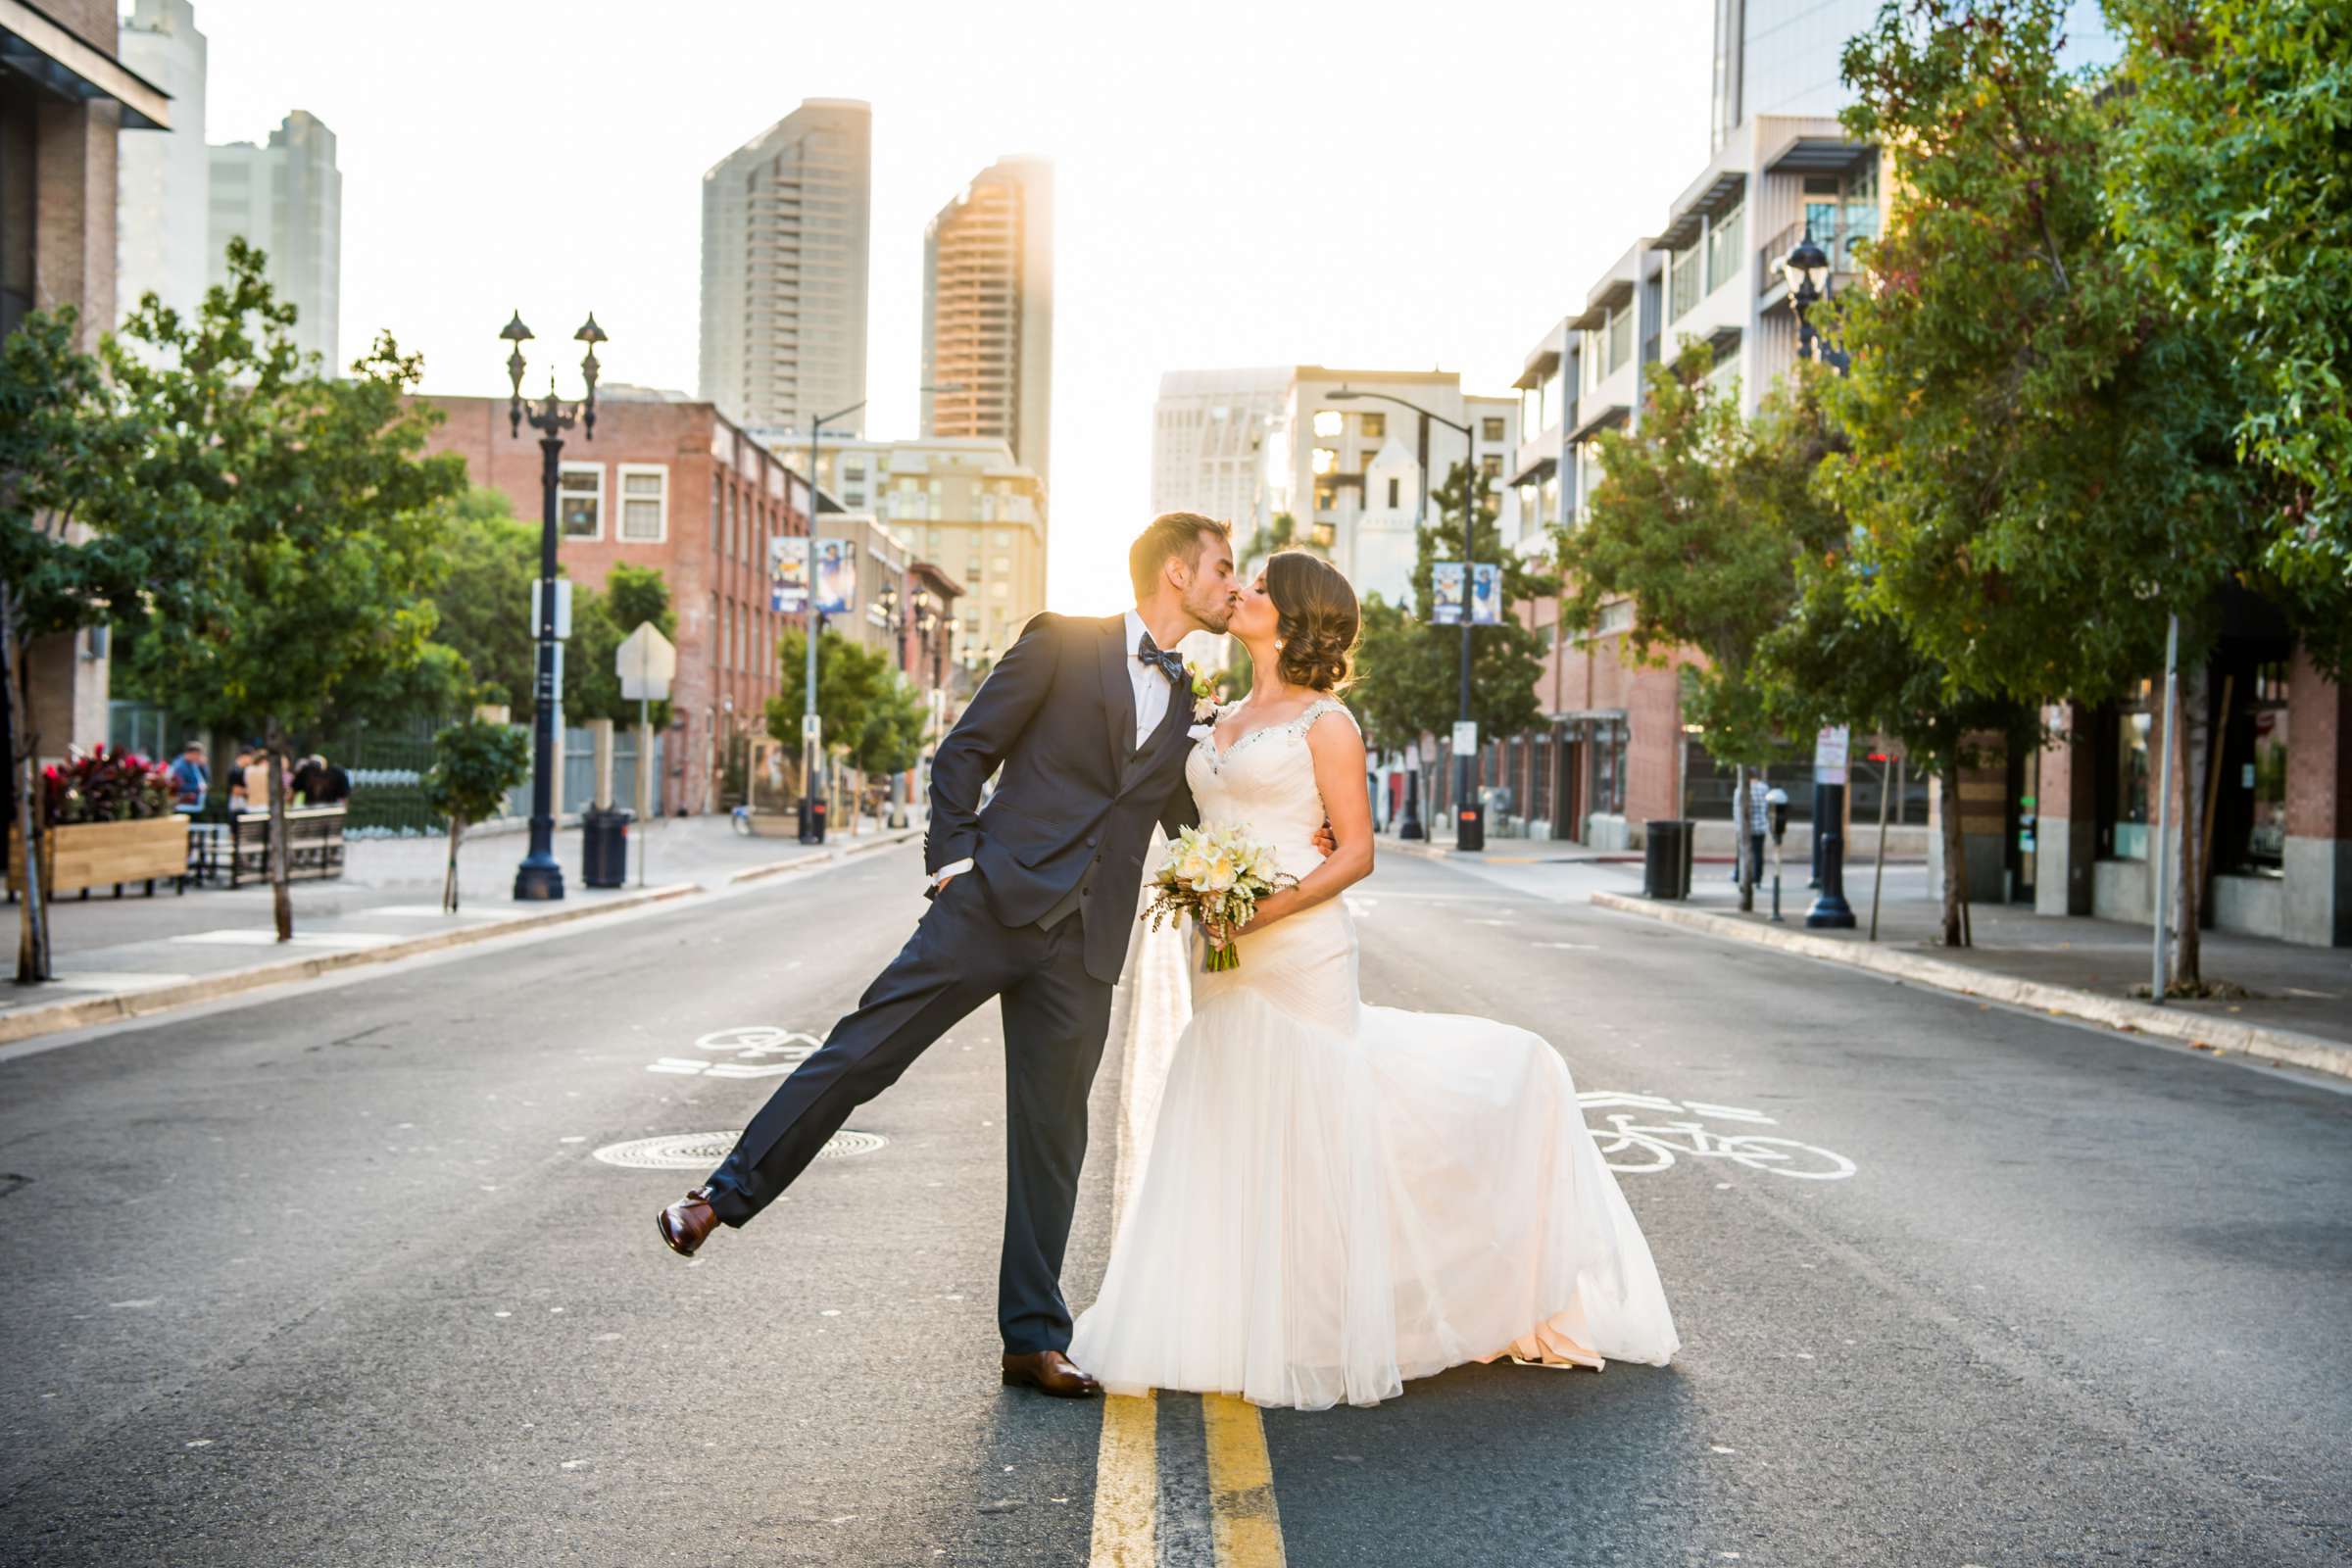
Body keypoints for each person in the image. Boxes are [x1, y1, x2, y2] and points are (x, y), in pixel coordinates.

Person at [655, 514, 1335, 1399]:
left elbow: (1193, 815)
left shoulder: (1187, 703)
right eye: (1222, 567)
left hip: (1087, 944)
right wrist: (952, 864)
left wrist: (1298, 841)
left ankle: (1033, 1339)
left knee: (1054, 1140)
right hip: (992, 907)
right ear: (1176, 571)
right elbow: (965, 752)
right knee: (864, 1051)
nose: (1231, 582)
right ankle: (720, 1197)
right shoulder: (1063, 643)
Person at [1066, 550, 1680, 1409]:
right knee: (1235, 1108)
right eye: (1240, 580)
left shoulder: (1328, 722)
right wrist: (1200, 892)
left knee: (1316, 1110)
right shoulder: (1213, 715)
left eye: (1262, 587)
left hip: (1298, 941)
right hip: (1218, 945)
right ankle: (1233, 1315)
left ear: (1295, 615)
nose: (1242, 590)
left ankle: (1325, 1320)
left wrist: (1267, 908)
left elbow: (1356, 849)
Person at [168, 741, 209, 813]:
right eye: (198, 755)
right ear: (191, 754)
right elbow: (179, 786)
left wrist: (203, 766)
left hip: (193, 807)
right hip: (183, 807)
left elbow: (204, 778)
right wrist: (197, 788)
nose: (199, 757)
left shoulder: (193, 764)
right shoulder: (180, 766)